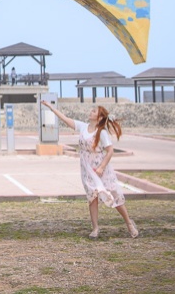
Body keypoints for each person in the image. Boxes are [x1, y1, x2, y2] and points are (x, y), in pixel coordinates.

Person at [41, 100, 139, 239]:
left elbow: (110, 151)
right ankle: (95, 228)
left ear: (99, 118)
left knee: (113, 195)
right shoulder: (83, 127)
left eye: (94, 111)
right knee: (92, 197)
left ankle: (129, 223)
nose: (91, 112)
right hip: (87, 167)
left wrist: (102, 167)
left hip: (101, 167)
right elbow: (65, 119)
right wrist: (51, 107)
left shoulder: (102, 133)